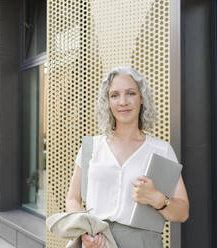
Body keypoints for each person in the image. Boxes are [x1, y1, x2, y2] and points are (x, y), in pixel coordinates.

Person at [66, 66, 189, 248]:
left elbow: (182, 212)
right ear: (107, 102)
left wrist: (157, 199)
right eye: (114, 95)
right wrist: (85, 231)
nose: (123, 102)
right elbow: (73, 199)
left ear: (141, 99)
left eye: (130, 93)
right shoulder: (90, 147)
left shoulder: (161, 150)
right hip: (97, 243)